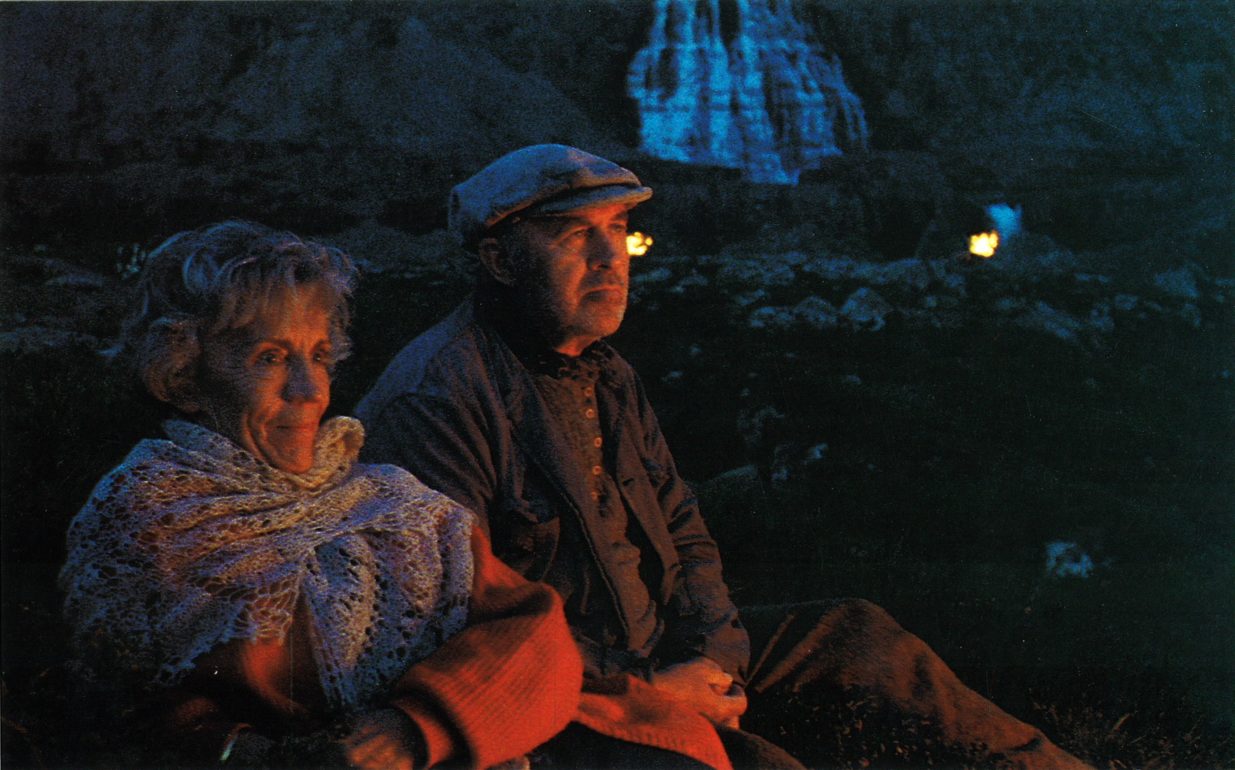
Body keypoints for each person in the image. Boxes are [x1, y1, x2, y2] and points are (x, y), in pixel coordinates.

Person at [355, 145, 1093, 769]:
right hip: (565, 698)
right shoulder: (439, 400)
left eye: (618, 230)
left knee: (855, 632)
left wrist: (715, 659)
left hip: (660, 654)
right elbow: (463, 621)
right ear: (498, 259)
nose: (610, 258)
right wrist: (648, 692)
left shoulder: (604, 372)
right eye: (574, 235)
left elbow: (682, 525)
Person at [60, 220, 733, 770]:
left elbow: (534, 633)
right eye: (270, 359)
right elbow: (133, 717)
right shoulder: (144, 518)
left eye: (318, 356)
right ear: (184, 373)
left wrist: (414, 729)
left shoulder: (389, 500)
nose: (309, 392)